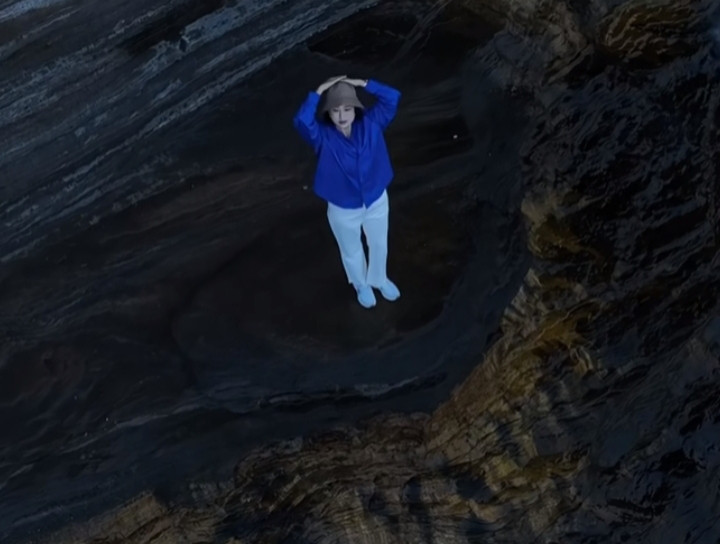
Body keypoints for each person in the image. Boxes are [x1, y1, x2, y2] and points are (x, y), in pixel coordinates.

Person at [293, 75, 402, 309]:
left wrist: (364, 84)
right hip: (343, 207)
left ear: (356, 108)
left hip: (375, 199)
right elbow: (302, 121)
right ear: (328, 113)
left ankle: (379, 279)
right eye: (335, 111)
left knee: (379, 242)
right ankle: (361, 284)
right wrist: (319, 91)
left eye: (347, 109)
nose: (342, 116)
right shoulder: (323, 137)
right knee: (351, 249)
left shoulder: (372, 123)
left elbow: (392, 98)